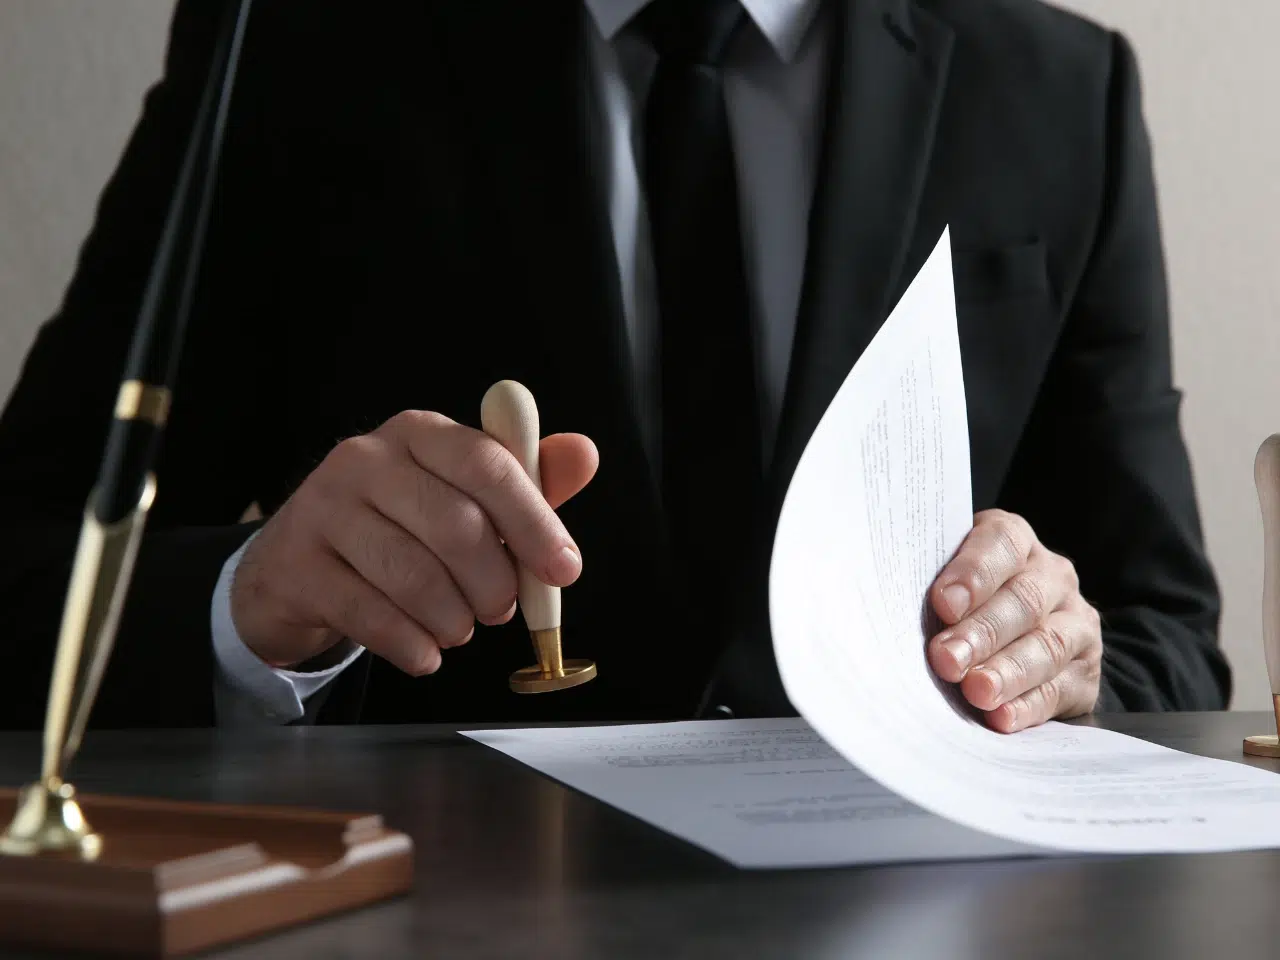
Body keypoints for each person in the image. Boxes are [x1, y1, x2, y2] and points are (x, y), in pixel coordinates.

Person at [0, 0, 1230, 733]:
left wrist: (1058, 665)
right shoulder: (291, 41)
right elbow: (21, 558)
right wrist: (245, 609)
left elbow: (1163, 635)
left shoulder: (1060, 88)